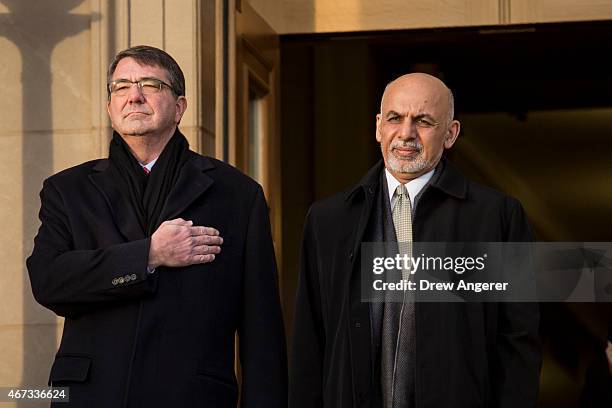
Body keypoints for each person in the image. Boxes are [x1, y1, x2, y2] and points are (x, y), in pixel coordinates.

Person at [27, 45, 286, 407]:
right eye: (121, 87)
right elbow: (49, 281)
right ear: (110, 107)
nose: (134, 96)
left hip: (192, 396)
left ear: (179, 107)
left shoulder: (238, 195)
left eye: (150, 84)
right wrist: (148, 255)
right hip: (92, 396)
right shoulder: (67, 190)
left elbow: (263, 331)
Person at [289, 73, 541, 407]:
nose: (406, 134)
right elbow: (310, 342)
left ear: (450, 134)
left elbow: (518, 345)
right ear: (379, 125)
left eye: (423, 121)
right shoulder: (328, 220)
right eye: (395, 118)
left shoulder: (497, 218)